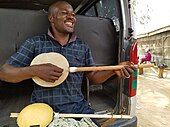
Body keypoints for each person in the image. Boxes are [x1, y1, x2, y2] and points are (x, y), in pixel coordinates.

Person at [0, 0, 135, 125]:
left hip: (78, 108)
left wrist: (114, 70)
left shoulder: (82, 46)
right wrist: (34, 70)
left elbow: (93, 78)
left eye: (73, 14)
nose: (71, 17)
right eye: (64, 13)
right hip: (43, 109)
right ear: (51, 18)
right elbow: (4, 73)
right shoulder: (35, 43)